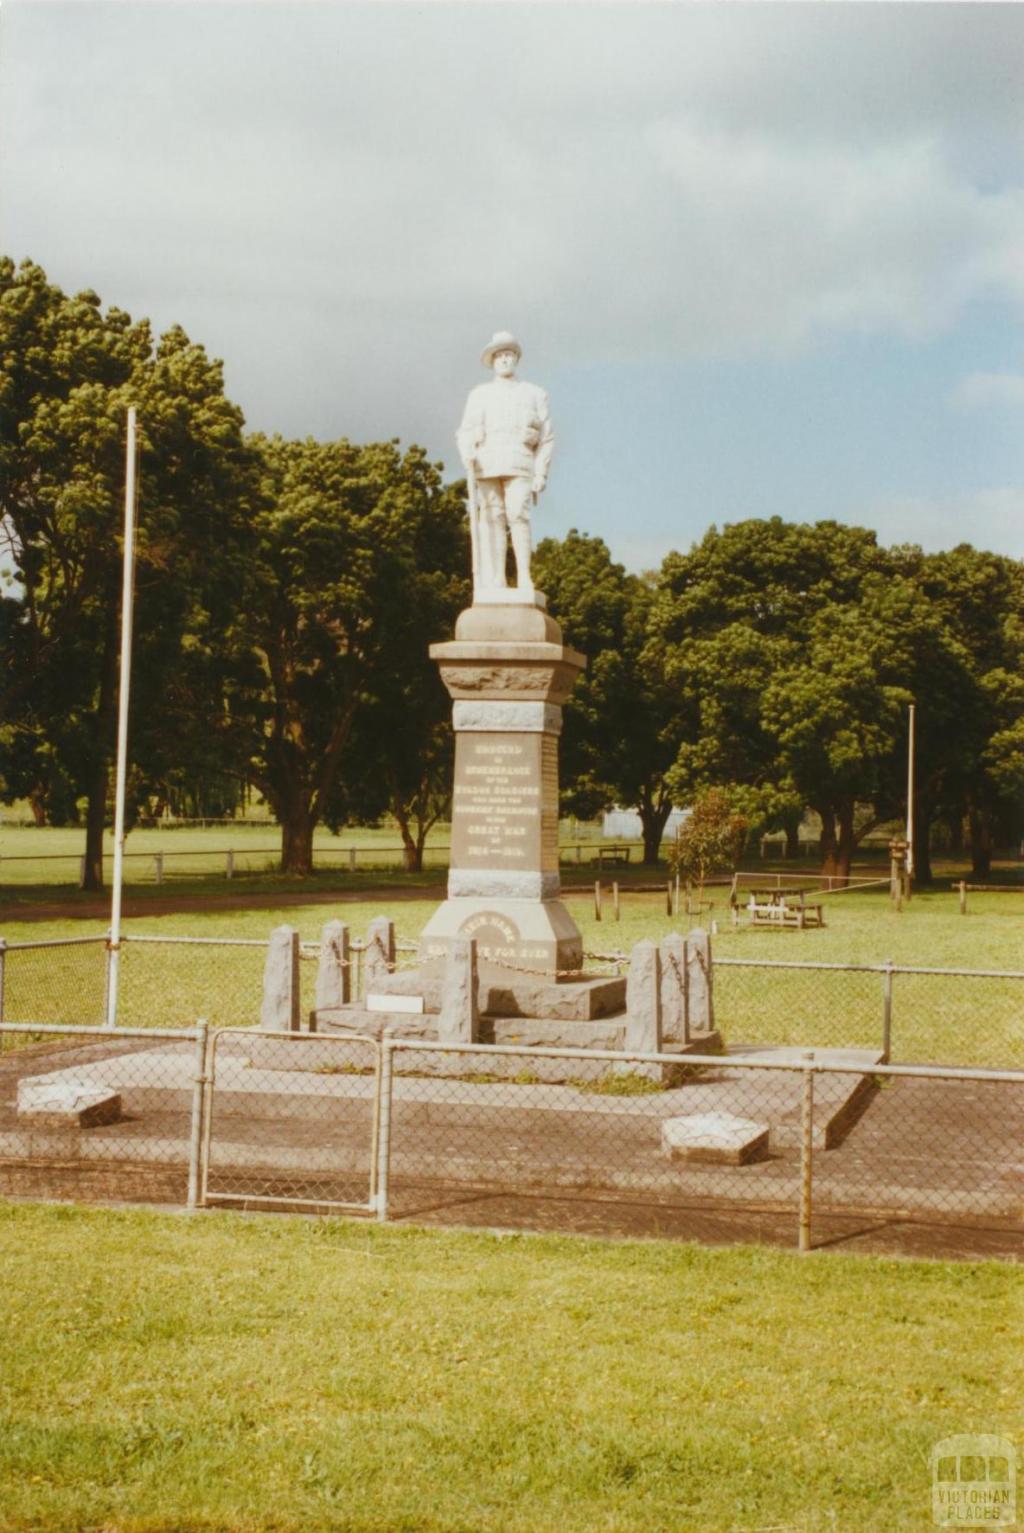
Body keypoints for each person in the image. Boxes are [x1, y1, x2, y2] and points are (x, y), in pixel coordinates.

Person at [456, 330, 554, 596]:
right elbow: (465, 430)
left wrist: (541, 473)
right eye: (499, 354)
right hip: (487, 465)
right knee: (491, 518)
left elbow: (546, 438)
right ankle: (496, 578)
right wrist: (467, 451)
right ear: (492, 360)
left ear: (516, 358)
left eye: (509, 354)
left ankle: (524, 576)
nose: (505, 359)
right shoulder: (479, 394)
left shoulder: (534, 393)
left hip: (520, 464)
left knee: (518, 515)